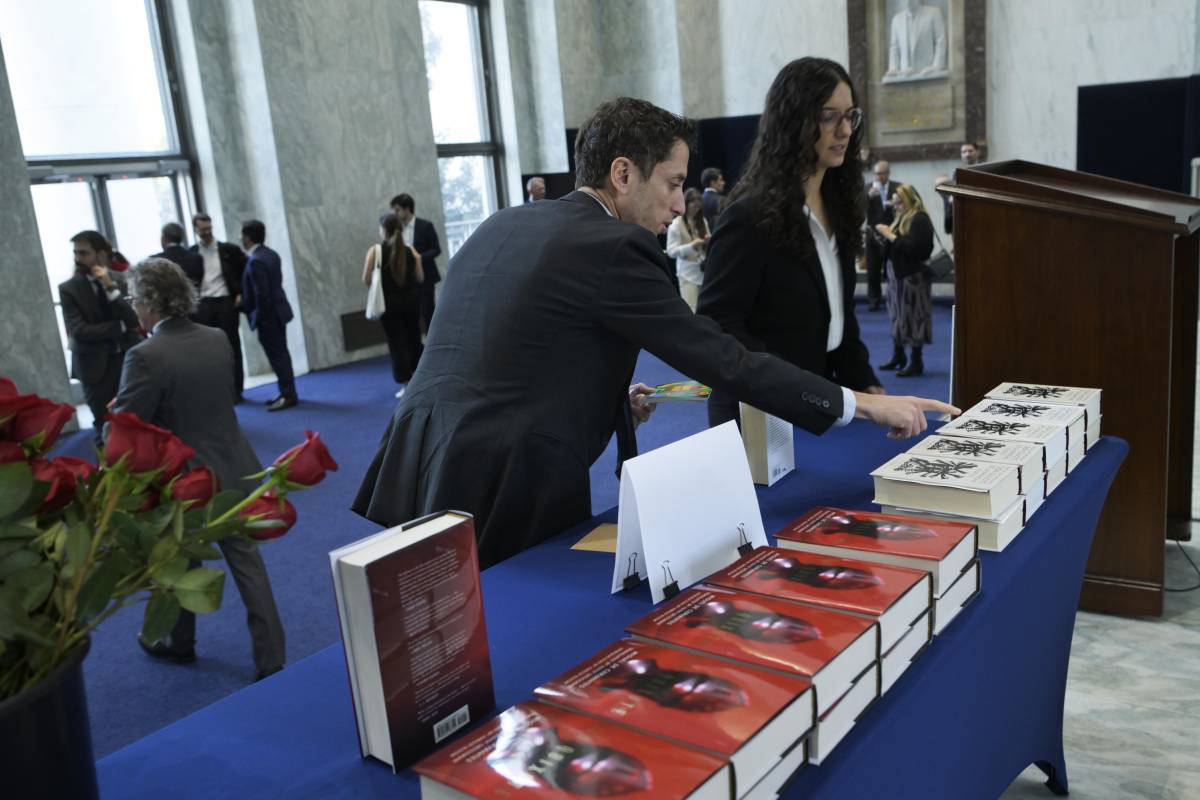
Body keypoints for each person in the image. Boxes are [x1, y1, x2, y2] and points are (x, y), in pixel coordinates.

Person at [353, 96, 955, 570]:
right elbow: (723, 359)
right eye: (670, 183)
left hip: (421, 452)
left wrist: (604, 397)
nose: (677, 204)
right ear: (623, 173)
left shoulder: (505, 222)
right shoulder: (615, 245)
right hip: (508, 475)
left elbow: (507, 347)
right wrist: (860, 403)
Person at [114, 258, 285, 681]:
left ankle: (179, 642)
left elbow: (128, 429)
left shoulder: (144, 356)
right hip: (236, 465)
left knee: (179, 563)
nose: (133, 307)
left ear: (149, 302)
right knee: (248, 564)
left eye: (134, 299)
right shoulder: (217, 338)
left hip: (187, 480)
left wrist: (112, 415)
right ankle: (271, 659)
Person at [699, 57, 885, 429]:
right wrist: (807, 390)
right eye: (829, 117)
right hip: (757, 415)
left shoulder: (840, 208)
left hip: (819, 407)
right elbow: (718, 326)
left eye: (850, 116)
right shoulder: (748, 216)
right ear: (793, 122)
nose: (845, 130)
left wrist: (865, 384)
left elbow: (840, 317)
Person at [58, 230, 142, 445]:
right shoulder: (68, 289)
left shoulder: (120, 280)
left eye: (84, 253)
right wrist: (119, 327)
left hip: (126, 358)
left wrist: (109, 286)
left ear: (101, 254)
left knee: (135, 420)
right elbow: (80, 330)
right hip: (93, 366)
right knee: (103, 425)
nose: (78, 258)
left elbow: (133, 320)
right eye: (76, 253)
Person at [874, 183, 935, 377]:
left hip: (913, 277)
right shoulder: (901, 216)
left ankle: (916, 361)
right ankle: (898, 355)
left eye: (899, 202)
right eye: (894, 203)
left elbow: (920, 250)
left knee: (914, 318)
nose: (896, 206)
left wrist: (891, 237)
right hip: (897, 275)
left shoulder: (920, 219)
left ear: (910, 200)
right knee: (897, 316)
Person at [239, 220, 298, 410]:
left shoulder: (256, 260)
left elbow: (261, 293)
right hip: (279, 312)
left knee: (277, 356)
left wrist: (259, 317)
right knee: (281, 353)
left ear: (247, 237)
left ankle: (288, 394)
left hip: (268, 316)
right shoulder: (271, 254)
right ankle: (286, 391)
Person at [363, 213, 424, 396]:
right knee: (414, 340)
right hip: (411, 304)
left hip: (389, 306)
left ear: (383, 230)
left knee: (397, 344)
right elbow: (420, 277)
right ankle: (420, 379)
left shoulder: (376, 251)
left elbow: (366, 278)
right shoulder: (410, 251)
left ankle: (406, 383)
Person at [189, 213, 248, 400]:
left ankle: (236, 390)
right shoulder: (191, 253)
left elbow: (247, 271)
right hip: (203, 305)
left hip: (225, 303)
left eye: (209, 228)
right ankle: (217, 391)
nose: (207, 233)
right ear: (195, 230)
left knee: (232, 346)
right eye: (202, 230)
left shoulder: (229, 250)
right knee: (208, 350)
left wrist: (241, 293)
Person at [390, 194, 443, 333]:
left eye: (397, 210)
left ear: (407, 209)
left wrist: (417, 258)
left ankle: (433, 341)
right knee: (411, 314)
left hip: (425, 277)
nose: (395, 214)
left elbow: (436, 249)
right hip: (406, 279)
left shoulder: (425, 226)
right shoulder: (397, 230)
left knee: (428, 312)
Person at [665, 188, 709, 311]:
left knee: (704, 309)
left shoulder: (702, 221)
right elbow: (671, 251)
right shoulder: (676, 224)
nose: (696, 209)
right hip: (687, 274)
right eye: (694, 206)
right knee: (692, 310)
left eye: (698, 207)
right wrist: (691, 246)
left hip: (703, 271)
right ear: (686, 203)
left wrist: (708, 241)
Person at [884, 0, 947, 81]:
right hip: (904, 77)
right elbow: (894, 47)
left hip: (928, 74)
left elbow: (940, 41)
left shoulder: (933, 13)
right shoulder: (896, 19)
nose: (907, 1)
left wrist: (936, 66)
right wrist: (893, 69)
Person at [865, 160, 898, 311]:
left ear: (888, 173)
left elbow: (907, 205)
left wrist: (895, 203)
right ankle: (874, 299)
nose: (878, 177)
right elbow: (858, 208)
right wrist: (868, 196)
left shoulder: (898, 187)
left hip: (892, 233)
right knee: (872, 269)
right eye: (876, 174)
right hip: (873, 234)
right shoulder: (867, 188)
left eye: (882, 174)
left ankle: (895, 299)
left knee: (893, 268)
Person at [942, 142, 980, 234]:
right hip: (962, 218)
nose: (967, 154)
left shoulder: (987, 171)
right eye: (964, 152)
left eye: (970, 151)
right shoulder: (957, 173)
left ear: (977, 152)